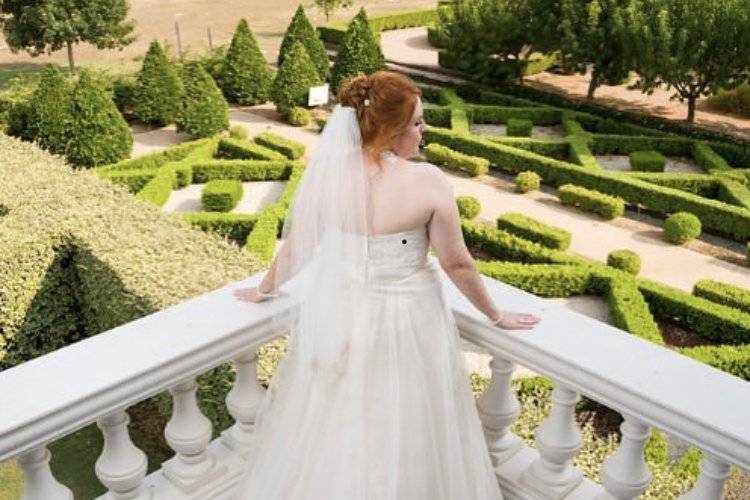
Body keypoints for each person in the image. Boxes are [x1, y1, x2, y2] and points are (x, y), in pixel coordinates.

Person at [232, 70, 541, 499]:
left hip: (345, 318)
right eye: (416, 123)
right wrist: (495, 314)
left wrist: (265, 288)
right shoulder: (428, 180)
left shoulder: (329, 176)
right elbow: (458, 264)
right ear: (393, 129)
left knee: (338, 420)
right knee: (411, 421)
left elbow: (298, 247)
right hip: (410, 322)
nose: (423, 130)